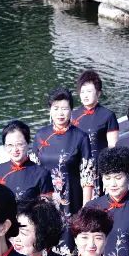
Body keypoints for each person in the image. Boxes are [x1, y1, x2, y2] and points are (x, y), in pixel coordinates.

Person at [32, 88, 94, 220]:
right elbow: (33, 172)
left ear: (71, 110)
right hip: (45, 202)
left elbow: (87, 178)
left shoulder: (81, 137)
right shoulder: (40, 136)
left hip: (72, 201)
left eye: (64, 108)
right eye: (56, 108)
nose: (60, 113)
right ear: (50, 110)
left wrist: (85, 209)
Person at [0, 120, 53, 202]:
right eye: (10, 145)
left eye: (19, 144)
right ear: (4, 147)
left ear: (28, 144)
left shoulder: (41, 174)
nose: (15, 149)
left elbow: (46, 208)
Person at [71, 69, 120, 161]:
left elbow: (112, 147)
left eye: (89, 91)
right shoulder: (73, 115)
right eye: (82, 92)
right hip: (77, 164)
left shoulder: (108, 116)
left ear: (98, 93)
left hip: (99, 164)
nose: (85, 95)